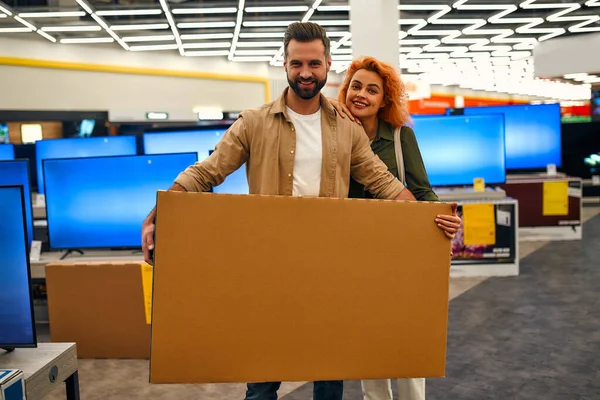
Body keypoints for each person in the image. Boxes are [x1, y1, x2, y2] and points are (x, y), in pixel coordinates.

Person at [141, 22, 417, 400]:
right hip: (268, 267)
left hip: (327, 268)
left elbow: (382, 181)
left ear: (327, 65)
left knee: (328, 377)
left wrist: (424, 224)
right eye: (297, 63)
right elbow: (209, 171)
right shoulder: (254, 122)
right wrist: (160, 210)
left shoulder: (346, 129)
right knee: (262, 380)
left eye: (314, 64)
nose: (306, 73)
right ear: (284, 65)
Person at [329, 56, 461, 400]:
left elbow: (422, 190)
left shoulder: (401, 138)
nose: (361, 95)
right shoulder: (334, 135)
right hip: (354, 257)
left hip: (399, 256)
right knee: (367, 345)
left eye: (372, 90)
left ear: (384, 100)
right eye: (355, 86)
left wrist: (445, 215)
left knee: (406, 342)